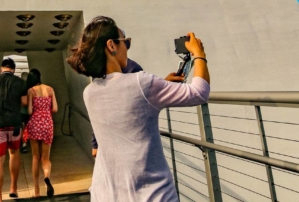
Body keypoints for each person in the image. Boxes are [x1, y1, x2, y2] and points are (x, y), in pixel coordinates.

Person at [67, 16, 210, 202]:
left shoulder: (90, 92)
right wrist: (199, 55)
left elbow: (126, 104)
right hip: (150, 194)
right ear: (111, 46)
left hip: (106, 193)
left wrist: (160, 86)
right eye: (125, 42)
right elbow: (200, 92)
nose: (126, 47)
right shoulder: (142, 83)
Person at [0, 57, 27, 202]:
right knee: (14, 154)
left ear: (1, 68)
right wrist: (14, 107)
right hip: (14, 124)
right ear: (13, 69)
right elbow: (24, 102)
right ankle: (13, 188)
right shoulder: (20, 82)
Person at [23, 68, 58, 198]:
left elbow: (29, 111)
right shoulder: (50, 89)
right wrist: (45, 111)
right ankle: (47, 177)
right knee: (45, 158)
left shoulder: (31, 91)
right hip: (47, 124)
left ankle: (37, 191)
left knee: (35, 157)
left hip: (35, 124)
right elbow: (55, 108)